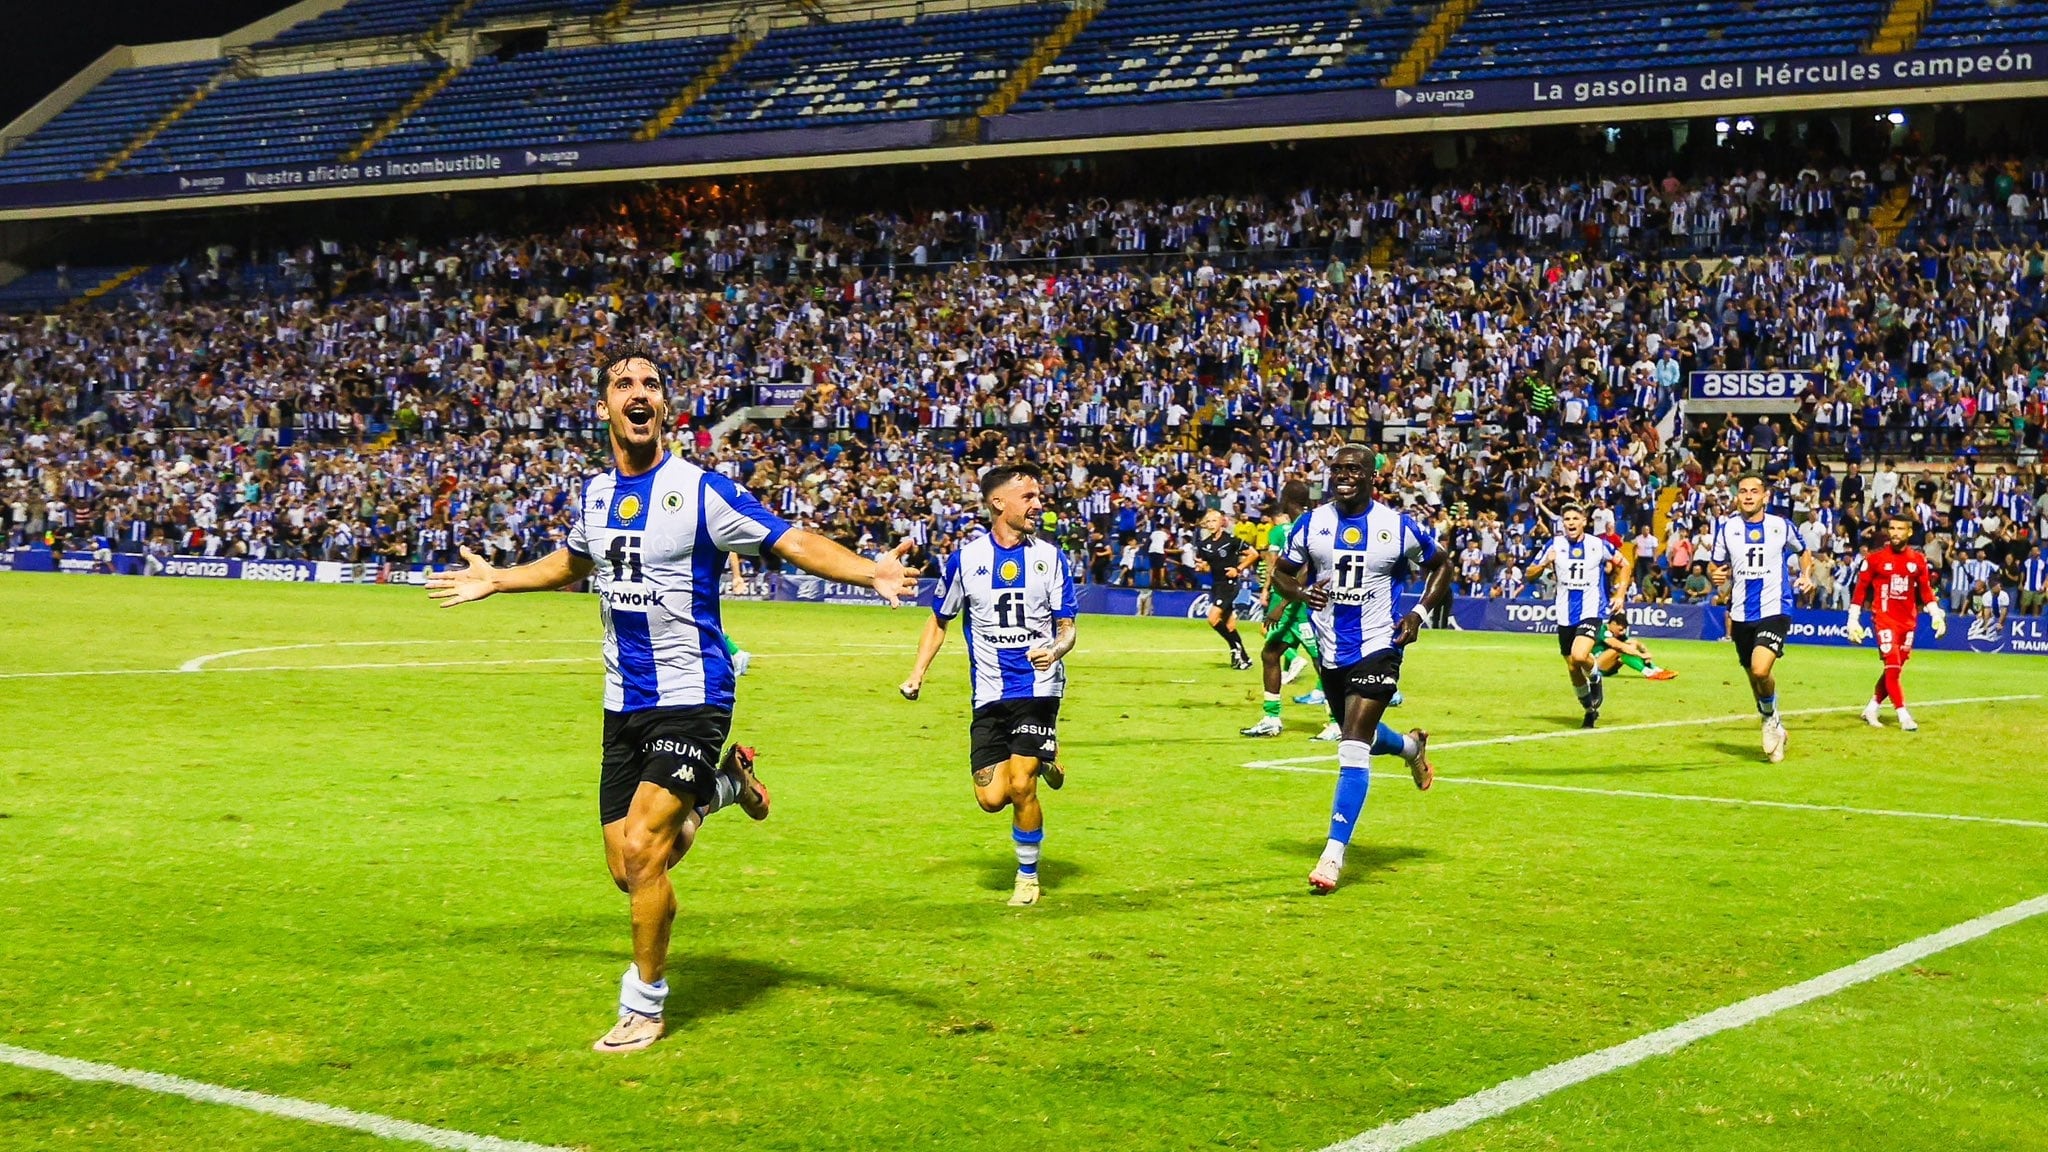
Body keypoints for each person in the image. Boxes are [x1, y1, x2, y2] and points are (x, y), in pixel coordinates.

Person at [425, 350, 917, 1054]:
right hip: (622, 701)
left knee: (643, 849)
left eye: (650, 385)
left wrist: (870, 570)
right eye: (623, 383)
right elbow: (574, 562)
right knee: (627, 868)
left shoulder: (701, 491)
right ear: (605, 407)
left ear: (665, 408)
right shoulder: (594, 495)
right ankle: (722, 785)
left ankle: (645, 1004)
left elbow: (792, 539)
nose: (637, 393)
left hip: (693, 694)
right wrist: (500, 580)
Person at [1274, 445, 1452, 895]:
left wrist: (1418, 614)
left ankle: (1332, 856)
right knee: (1365, 736)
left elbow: (1441, 565)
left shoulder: (1395, 526)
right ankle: (1411, 748)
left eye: (1353, 469)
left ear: (1373, 476)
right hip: (1331, 650)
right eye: (1337, 469)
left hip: (1380, 645)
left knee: (1351, 745)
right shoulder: (1312, 523)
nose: (1343, 475)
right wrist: (1299, 593)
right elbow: (1281, 572)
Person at [898, 462, 1077, 908]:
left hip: (1038, 685)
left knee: (1021, 786)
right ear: (999, 502)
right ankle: (1048, 757)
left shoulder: (1050, 556)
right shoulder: (966, 559)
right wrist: (918, 671)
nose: (1039, 504)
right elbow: (938, 620)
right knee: (992, 798)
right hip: (989, 691)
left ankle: (1027, 876)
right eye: (1029, 497)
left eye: (1039, 496)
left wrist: (1054, 651)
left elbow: (1068, 626)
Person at [1709, 473, 1816, 763]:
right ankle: (1776, 721)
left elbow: (1804, 550)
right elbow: (1715, 565)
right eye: (1743, 491)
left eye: (1754, 491)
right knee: (1753, 677)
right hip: (1741, 610)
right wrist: (1715, 573)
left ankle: (1769, 720)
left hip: (1775, 607)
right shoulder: (1727, 528)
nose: (1747, 496)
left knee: (1759, 669)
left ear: (1765, 497)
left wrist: (1806, 574)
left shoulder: (1780, 525)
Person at [1524, 503, 1627, 727]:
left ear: (1583, 522)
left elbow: (1624, 564)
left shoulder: (1597, 545)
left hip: (1591, 609)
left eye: (1574, 518)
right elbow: (1529, 573)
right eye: (1566, 519)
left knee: (1580, 656)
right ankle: (1589, 710)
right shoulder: (1555, 544)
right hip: (1564, 613)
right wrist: (1544, 563)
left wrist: (1620, 594)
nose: (1570, 522)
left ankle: (1596, 676)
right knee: (1572, 666)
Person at [1848, 513, 1946, 731]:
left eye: (1900, 529)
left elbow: (1926, 591)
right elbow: (1861, 590)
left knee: (1894, 669)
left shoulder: (1917, 560)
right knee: (1892, 665)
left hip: (1908, 622)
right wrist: (1852, 620)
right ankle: (1903, 716)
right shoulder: (1874, 559)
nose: (1895, 533)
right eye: (1892, 528)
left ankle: (1872, 707)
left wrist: (1936, 614)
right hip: (1884, 620)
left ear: (1909, 532)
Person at [1243, 482, 1320, 736]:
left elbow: (1306, 569)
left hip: (1305, 605)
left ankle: (1336, 722)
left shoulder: (1305, 525)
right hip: (1296, 602)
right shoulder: (1307, 521)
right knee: (1270, 654)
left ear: (1286, 499)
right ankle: (1271, 717)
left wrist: (1283, 603)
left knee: (1324, 662)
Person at [1194, 509, 1258, 669]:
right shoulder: (1204, 545)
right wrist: (1202, 567)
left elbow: (1254, 553)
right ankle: (1244, 658)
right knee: (1229, 625)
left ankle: (1235, 648)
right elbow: (1208, 567)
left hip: (1229, 585)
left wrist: (1238, 568)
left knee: (1213, 619)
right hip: (1217, 585)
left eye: (1214, 521)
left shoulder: (1231, 541)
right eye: (1208, 522)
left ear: (1222, 522)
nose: (1211, 524)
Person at [1595, 612, 1678, 680]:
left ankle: (1655, 669)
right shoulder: (1602, 630)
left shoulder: (1618, 633)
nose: (1622, 632)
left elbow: (1636, 643)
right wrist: (1641, 655)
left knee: (1632, 645)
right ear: (1613, 624)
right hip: (1595, 666)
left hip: (1608, 666)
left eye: (1624, 630)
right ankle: (1649, 673)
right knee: (1619, 649)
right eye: (1620, 629)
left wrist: (1646, 653)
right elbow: (1618, 645)